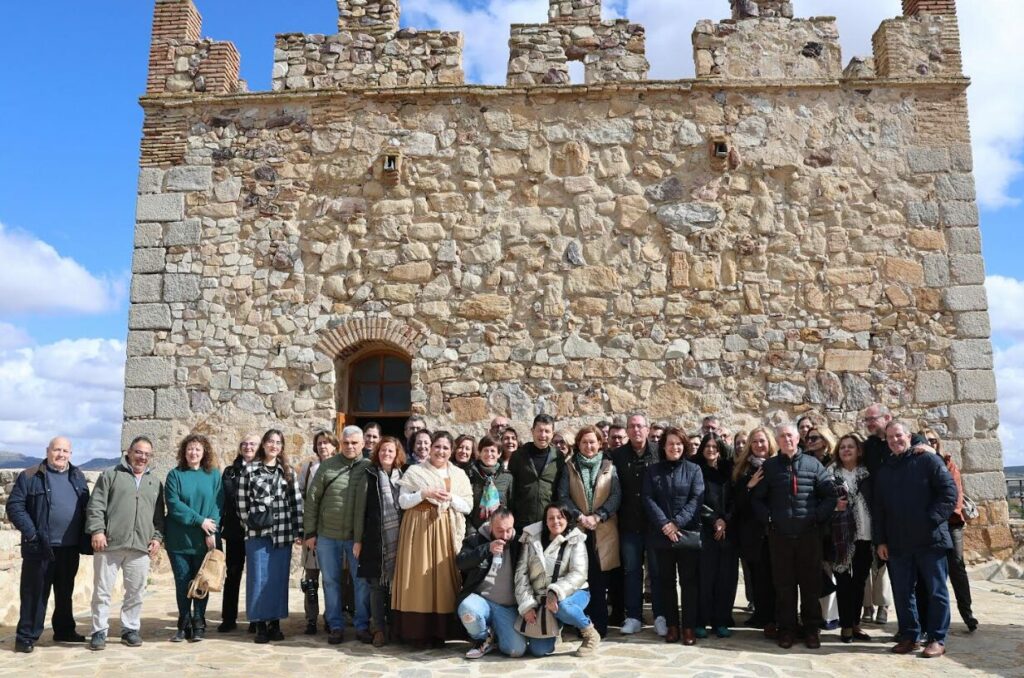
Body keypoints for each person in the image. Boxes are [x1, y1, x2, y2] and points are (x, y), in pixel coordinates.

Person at [873, 420, 957, 658]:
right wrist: (880, 540)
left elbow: (949, 493)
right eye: (890, 438)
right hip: (898, 542)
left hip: (930, 540)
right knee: (902, 591)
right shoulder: (885, 469)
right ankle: (910, 635)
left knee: (936, 591)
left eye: (898, 435)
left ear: (909, 436)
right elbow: (878, 509)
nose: (895, 440)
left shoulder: (928, 460)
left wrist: (930, 520)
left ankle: (937, 638)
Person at [751, 424, 837, 650]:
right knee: (784, 587)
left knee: (811, 586)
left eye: (790, 435)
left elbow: (829, 496)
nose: (786, 439)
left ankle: (811, 630)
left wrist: (817, 517)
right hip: (780, 538)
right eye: (782, 436)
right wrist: (769, 519)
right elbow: (757, 499)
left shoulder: (813, 465)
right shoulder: (770, 467)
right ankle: (786, 630)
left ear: (798, 438)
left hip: (809, 537)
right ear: (777, 441)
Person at [8, 436, 91, 653]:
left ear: (70, 454)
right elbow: (15, 507)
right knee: (34, 593)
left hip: (70, 547)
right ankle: (26, 636)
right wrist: (33, 534)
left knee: (65, 592)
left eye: (65, 451)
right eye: (57, 450)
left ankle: (64, 630)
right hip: (40, 547)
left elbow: (87, 508)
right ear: (47, 451)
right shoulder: (30, 476)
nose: (61, 454)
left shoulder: (78, 476)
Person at [392, 431, 473, 647]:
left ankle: (440, 632)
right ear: (431, 448)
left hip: (445, 530)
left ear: (451, 451)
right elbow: (402, 501)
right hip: (418, 529)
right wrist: (423, 494)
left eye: (446, 448)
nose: (441, 451)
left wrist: (452, 498)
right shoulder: (415, 471)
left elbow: (468, 505)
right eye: (437, 446)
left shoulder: (458, 475)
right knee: (418, 578)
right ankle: (417, 632)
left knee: (443, 580)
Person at [86, 436, 165, 651]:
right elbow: (96, 506)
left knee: (136, 591)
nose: (142, 457)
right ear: (129, 452)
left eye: (147, 454)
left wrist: (157, 538)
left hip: (140, 546)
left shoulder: (155, 482)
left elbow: (159, 517)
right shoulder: (111, 475)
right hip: (109, 543)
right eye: (139, 452)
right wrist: (98, 531)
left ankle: (130, 629)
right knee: (102, 590)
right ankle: (99, 631)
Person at [304, 426, 371, 644]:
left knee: (360, 581)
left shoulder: (369, 467)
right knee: (331, 581)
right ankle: (335, 625)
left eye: (354, 443)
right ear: (340, 444)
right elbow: (312, 500)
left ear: (362, 444)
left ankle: (362, 625)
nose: (350, 447)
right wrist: (310, 532)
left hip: (355, 537)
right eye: (346, 443)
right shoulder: (328, 466)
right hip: (327, 535)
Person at [237, 429, 303, 644]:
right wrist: (252, 522)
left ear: (282, 447)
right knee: (258, 579)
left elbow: (296, 503)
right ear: (263, 445)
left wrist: (298, 530)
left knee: (277, 579)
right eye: (270, 442)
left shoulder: (288, 472)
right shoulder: (249, 470)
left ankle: (275, 623)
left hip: (283, 533)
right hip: (257, 534)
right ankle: (260, 625)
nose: (274, 446)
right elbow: (241, 503)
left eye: (278, 442)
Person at [642, 427, 704, 645]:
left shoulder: (694, 469)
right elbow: (648, 499)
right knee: (666, 583)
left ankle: (688, 627)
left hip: (686, 534)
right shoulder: (653, 471)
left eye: (679, 443)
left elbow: (696, 499)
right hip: (662, 536)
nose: (675, 447)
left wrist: (676, 523)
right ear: (663, 447)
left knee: (689, 583)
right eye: (671, 444)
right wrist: (665, 525)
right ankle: (673, 626)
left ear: (684, 446)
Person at [558, 425, 621, 637]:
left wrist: (599, 515)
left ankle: (600, 626)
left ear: (600, 443)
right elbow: (563, 496)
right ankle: (582, 624)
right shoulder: (570, 466)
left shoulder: (610, 466)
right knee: (579, 579)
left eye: (592, 442)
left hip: (603, 529)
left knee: (600, 581)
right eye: (584, 442)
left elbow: (615, 496)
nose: (588, 446)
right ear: (578, 444)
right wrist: (579, 516)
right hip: (579, 530)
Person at [514, 504, 600, 657]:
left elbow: (579, 573)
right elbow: (521, 574)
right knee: (539, 651)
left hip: (574, 592)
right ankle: (556, 630)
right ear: (545, 521)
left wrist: (554, 591)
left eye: (560, 517)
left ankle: (590, 633)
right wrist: (526, 605)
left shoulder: (576, 539)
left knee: (563, 607)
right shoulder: (531, 539)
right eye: (551, 518)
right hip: (541, 599)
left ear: (567, 519)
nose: (556, 521)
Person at [918, 427, 978, 632]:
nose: (929, 443)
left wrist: (938, 516)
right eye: (925, 440)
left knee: (957, 566)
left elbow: (955, 495)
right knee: (930, 574)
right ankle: (930, 621)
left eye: (933, 440)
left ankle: (967, 613)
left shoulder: (948, 463)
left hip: (950, 523)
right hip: (928, 525)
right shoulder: (915, 465)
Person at [164, 434, 222, 642]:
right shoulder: (174, 475)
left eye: (198, 449)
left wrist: (211, 530)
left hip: (204, 539)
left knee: (201, 582)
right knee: (182, 581)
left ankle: (199, 621)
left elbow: (217, 505)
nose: (193, 453)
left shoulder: (214, 475)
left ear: (204, 452)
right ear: (184, 452)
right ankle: (184, 622)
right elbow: (174, 504)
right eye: (190, 449)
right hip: (179, 540)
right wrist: (200, 521)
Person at [610, 413, 663, 635]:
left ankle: (661, 616)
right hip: (629, 524)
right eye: (632, 427)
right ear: (628, 431)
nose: (636, 430)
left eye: (640, 426)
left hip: (655, 524)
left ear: (647, 428)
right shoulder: (617, 456)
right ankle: (633, 616)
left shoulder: (659, 453)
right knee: (631, 572)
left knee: (658, 572)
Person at [456, 508, 526, 659]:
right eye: (500, 531)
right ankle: (483, 638)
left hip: (507, 607)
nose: (505, 536)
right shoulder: (477, 539)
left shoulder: (520, 543)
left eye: (509, 530)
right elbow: (461, 562)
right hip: (481, 601)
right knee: (467, 610)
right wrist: (486, 548)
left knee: (516, 650)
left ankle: (496, 635)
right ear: (490, 527)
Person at [357, 436, 406, 647]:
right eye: (383, 450)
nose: (387, 454)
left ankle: (395, 627)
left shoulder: (404, 477)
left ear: (397, 455)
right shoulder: (369, 475)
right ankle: (378, 629)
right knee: (377, 587)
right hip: (375, 540)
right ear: (377, 452)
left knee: (396, 587)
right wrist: (357, 540)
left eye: (391, 451)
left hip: (400, 541)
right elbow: (359, 511)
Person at [732, 427, 778, 636]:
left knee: (776, 577)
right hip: (752, 532)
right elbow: (737, 504)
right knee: (757, 577)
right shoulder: (743, 470)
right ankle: (761, 614)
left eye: (763, 441)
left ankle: (775, 616)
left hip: (775, 531)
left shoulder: (778, 466)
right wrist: (748, 486)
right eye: (756, 442)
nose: (760, 445)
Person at [828, 433, 873, 643]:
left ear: (858, 450)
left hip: (865, 534)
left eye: (851, 447)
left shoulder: (868, 474)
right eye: (843, 447)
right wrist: (833, 505)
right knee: (844, 583)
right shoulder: (829, 475)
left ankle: (855, 623)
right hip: (841, 536)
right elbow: (819, 502)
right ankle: (845, 625)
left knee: (859, 582)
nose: (846, 450)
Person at [695, 433, 738, 639]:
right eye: (707, 446)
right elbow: (696, 499)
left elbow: (735, 499)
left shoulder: (729, 470)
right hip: (705, 530)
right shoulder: (696, 470)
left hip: (728, 531)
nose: (711, 450)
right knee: (706, 578)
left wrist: (725, 520)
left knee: (726, 578)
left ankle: (721, 620)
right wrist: (714, 520)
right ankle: (702, 620)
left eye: (715, 446)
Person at [297, 430, 338, 635]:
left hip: (334, 530)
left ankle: (332, 618)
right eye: (320, 443)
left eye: (327, 443)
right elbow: (302, 498)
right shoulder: (309, 467)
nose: (323, 446)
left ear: (334, 445)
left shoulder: (341, 465)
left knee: (332, 579)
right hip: (313, 530)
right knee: (311, 579)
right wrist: (305, 530)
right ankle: (311, 619)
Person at [218, 434, 258, 633]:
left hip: (258, 532)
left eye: (252, 444)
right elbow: (223, 502)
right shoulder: (230, 472)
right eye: (244, 443)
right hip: (235, 532)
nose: (248, 447)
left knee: (255, 576)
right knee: (233, 575)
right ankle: (228, 618)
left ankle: (255, 618)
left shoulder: (264, 470)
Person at [859, 403, 894, 625]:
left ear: (887, 417)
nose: (870, 423)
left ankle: (883, 605)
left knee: (884, 563)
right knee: (866, 560)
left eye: (874, 419)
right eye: (867, 420)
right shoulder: (868, 446)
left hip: (894, 512)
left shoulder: (900, 440)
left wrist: (925, 446)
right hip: (871, 509)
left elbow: (918, 441)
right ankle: (867, 606)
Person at [805, 426, 839, 630]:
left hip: (833, 525)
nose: (809, 441)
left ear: (825, 440)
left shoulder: (834, 464)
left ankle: (831, 616)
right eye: (808, 438)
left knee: (830, 570)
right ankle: (817, 614)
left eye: (814, 438)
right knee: (816, 571)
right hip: (814, 524)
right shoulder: (806, 462)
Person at [507, 415, 562, 528]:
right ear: (532, 431)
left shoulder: (558, 457)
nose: (543, 435)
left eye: (547, 431)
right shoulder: (518, 456)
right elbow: (511, 488)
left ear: (552, 433)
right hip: (522, 522)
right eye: (539, 430)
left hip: (549, 523)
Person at [467, 436, 514, 531]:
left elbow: (511, 506)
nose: (489, 454)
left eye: (493, 451)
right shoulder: (470, 474)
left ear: (499, 454)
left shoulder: (507, 477)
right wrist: (471, 531)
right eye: (485, 450)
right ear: (479, 453)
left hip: (500, 531)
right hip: (474, 531)